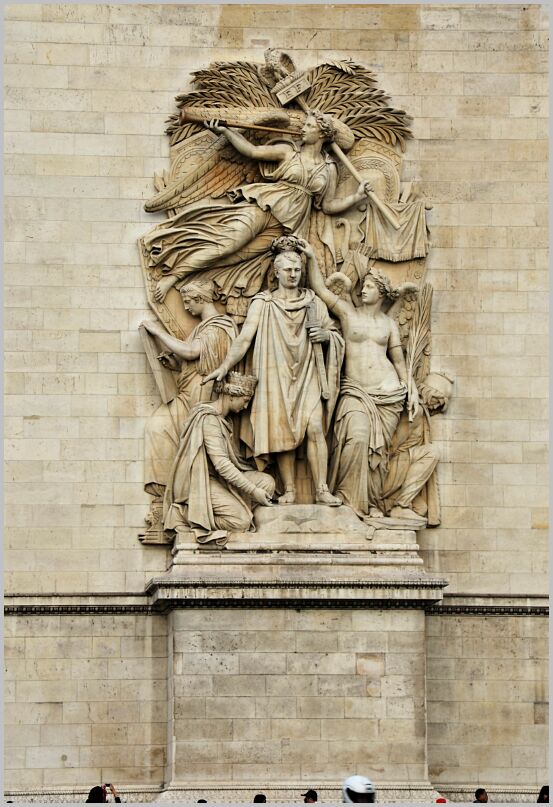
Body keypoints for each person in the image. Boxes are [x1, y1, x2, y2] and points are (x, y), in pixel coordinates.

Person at [142, 112, 376, 305]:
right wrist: (225, 131)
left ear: (322, 134)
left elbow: (327, 205)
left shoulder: (329, 168)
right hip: (265, 206)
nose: (303, 128)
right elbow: (252, 152)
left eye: (309, 126)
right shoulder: (288, 151)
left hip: (287, 227)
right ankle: (172, 276)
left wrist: (356, 197)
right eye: (304, 124)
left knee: (235, 257)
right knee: (225, 245)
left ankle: (194, 279)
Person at [204, 236, 344, 505]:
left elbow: (335, 333)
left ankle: (322, 489)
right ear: (276, 273)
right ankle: (289, 488)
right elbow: (244, 338)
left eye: (297, 270)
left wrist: (326, 336)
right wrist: (224, 366)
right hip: (275, 373)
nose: (292, 275)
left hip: (308, 371)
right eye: (287, 270)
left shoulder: (313, 301)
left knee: (314, 427)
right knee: (282, 431)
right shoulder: (263, 302)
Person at [301, 238, 419, 517]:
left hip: (388, 394)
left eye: (368, 286)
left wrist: (411, 389)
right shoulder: (347, 313)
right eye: (363, 286)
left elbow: (399, 361)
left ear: (381, 293)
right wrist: (311, 259)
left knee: (375, 452)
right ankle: (347, 500)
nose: (363, 290)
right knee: (356, 437)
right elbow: (319, 289)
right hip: (355, 391)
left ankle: (371, 504)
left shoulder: (389, 324)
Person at [140, 279, 238, 542]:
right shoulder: (203, 327)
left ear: (202, 299)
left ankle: (178, 508)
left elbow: (194, 352)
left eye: (188, 302)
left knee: (163, 430)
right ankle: (166, 502)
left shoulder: (219, 326)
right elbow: (191, 360)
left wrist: (158, 332)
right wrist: (174, 363)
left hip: (199, 397)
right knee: (158, 429)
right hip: (188, 392)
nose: (185, 307)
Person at [164, 372, 275, 544]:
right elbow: (222, 465)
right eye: (245, 401)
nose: (245, 407)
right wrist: (253, 491)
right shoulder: (209, 420)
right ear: (231, 396)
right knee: (240, 521)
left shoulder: (223, 420)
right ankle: (185, 515)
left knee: (267, 483)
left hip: (220, 479)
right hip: (201, 483)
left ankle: (239, 507)